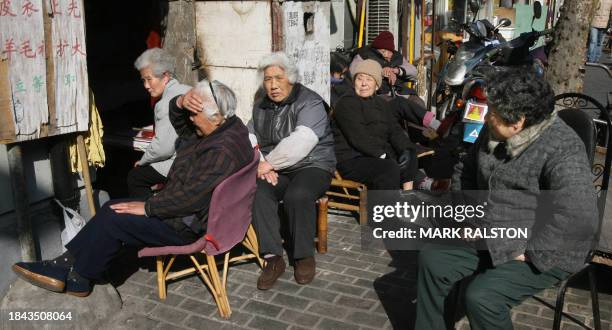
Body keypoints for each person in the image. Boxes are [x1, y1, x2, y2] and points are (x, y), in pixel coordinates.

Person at [12, 79, 253, 297]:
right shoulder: (229, 128)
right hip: (188, 210)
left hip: (186, 225)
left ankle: (80, 277)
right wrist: (180, 102)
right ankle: (66, 263)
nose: (190, 120)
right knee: (115, 207)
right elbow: (181, 123)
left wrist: (149, 207)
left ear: (216, 116)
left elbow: (190, 199)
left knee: (115, 216)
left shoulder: (220, 151)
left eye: (195, 116)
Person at [415, 69, 598, 329]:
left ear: (518, 122)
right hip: (491, 231)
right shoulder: (495, 130)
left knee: (483, 297)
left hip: (546, 246)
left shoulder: (562, 147)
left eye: (494, 114)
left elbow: (579, 215)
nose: (488, 117)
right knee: (433, 260)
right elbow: (463, 171)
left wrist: (534, 251)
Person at [248, 52, 336, 290]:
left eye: (278, 77)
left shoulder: (310, 101)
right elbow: (250, 135)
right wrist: (259, 163)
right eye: (267, 79)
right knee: (258, 191)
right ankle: (272, 257)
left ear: (291, 78)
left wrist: (268, 164)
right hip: (275, 166)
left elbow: (303, 140)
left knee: (297, 195)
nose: (273, 85)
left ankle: (303, 255)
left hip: (312, 163)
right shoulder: (261, 103)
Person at [333, 59, 420, 190]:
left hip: (377, 155)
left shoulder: (382, 104)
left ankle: (406, 199)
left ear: (377, 85)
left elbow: (395, 131)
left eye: (369, 80)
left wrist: (405, 149)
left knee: (410, 155)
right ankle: (385, 208)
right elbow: (358, 137)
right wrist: (385, 156)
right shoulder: (346, 103)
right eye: (359, 79)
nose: (363, 84)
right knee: (388, 169)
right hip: (352, 158)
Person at [127, 48, 191, 198]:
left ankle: (147, 217)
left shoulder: (165, 104)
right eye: (143, 80)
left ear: (166, 76)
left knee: (135, 177)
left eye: (149, 79)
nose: (146, 86)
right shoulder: (188, 89)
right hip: (195, 156)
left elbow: (163, 148)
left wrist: (143, 161)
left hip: (184, 162)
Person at [350, 31, 442, 134]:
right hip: (379, 93)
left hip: (399, 91)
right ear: (379, 49)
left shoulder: (396, 56)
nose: (389, 55)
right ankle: (424, 128)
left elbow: (414, 73)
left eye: (391, 51)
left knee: (417, 101)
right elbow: (354, 72)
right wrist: (380, 71)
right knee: (397, 106)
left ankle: (420, 134)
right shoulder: (363, 55)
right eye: (386, 51)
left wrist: (397, 71)